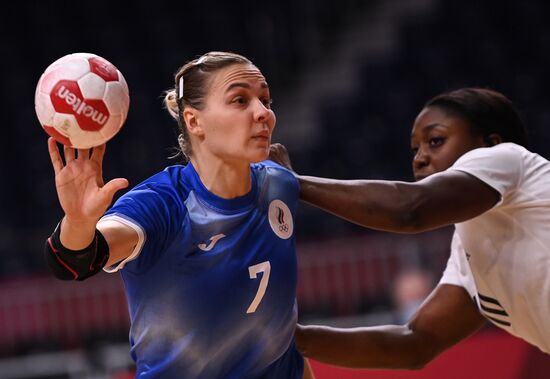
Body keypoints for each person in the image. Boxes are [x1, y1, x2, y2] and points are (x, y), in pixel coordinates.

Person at [45, 51, 314, 379]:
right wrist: (78, 221)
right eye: (241, 100)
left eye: (266, 100)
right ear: (194, 121)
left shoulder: (279, 183)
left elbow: (281, 341)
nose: (263, 114)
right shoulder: (162, 202)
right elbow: (76, 260)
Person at [269, 87, 550, 369]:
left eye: (436, 141)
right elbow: (415, 342)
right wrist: (288, 339)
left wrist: (295, 184)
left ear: (490, 142)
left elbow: (409, 210)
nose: (420, 158)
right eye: (416, 149)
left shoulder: (507, 157)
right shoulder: (468, 246)